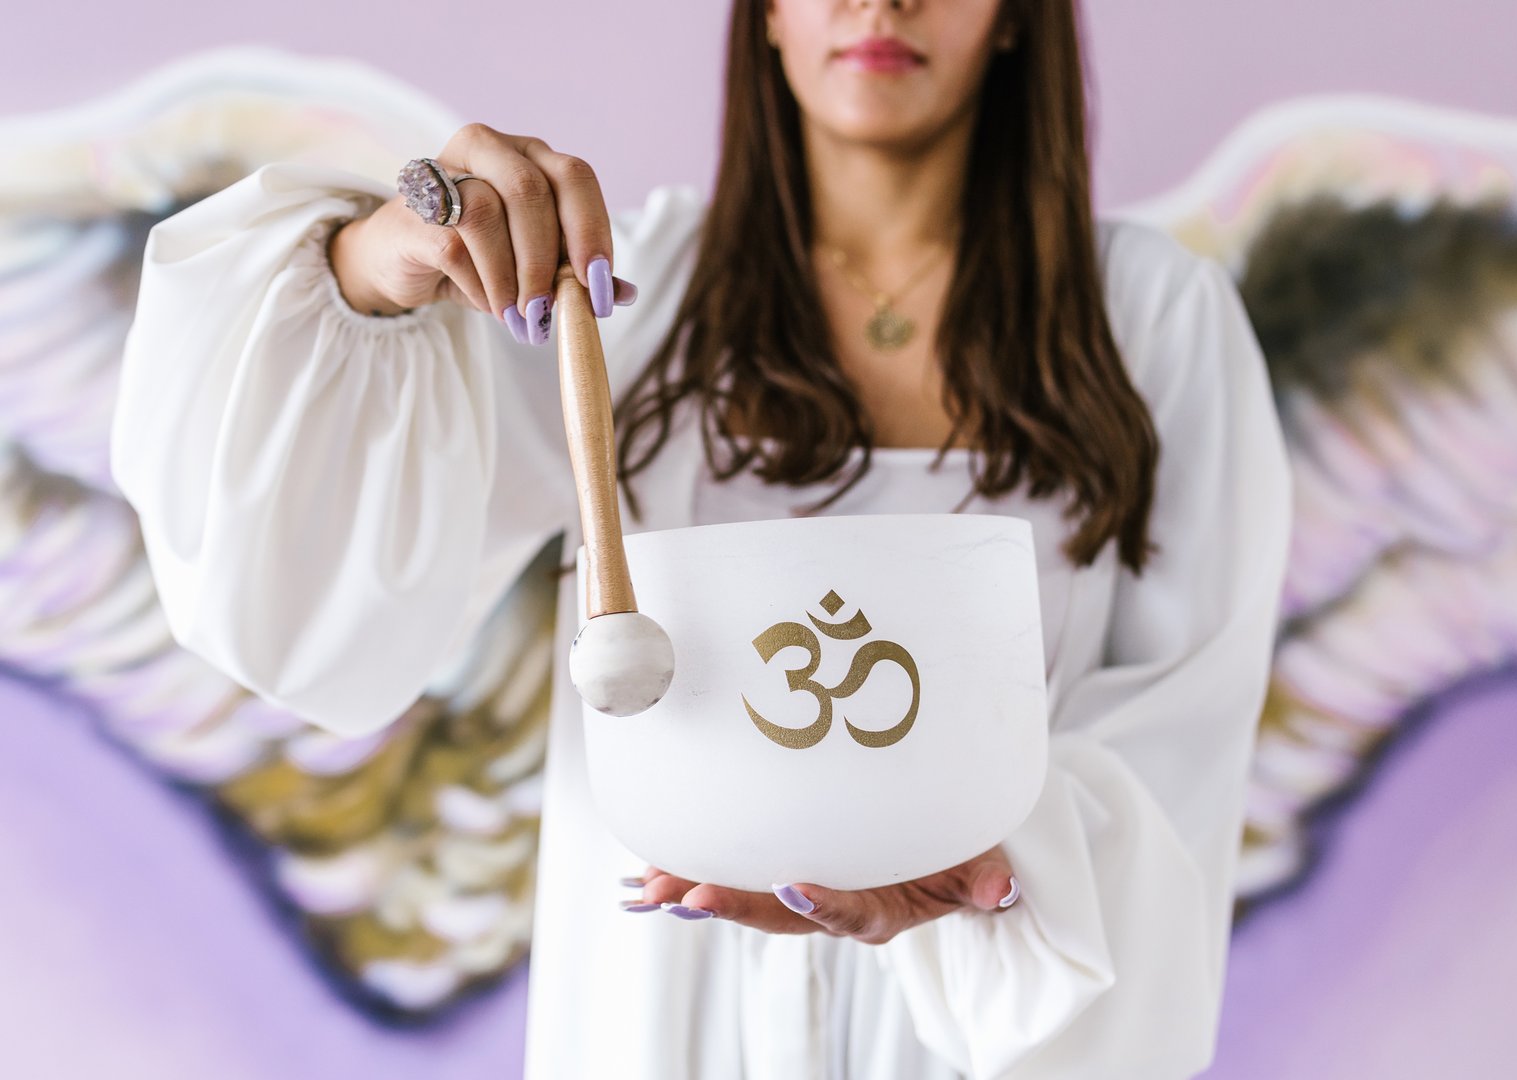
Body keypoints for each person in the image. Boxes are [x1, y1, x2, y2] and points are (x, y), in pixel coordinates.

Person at [109, 0, 1291, 1076]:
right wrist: (373, 268)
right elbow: (310, 584)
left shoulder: (1155, 322)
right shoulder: (626, 296)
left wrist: (982, 861)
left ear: (1021, 18)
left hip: (976, 1019)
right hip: (660, 1009)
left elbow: (1181, 734)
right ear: (764, 13)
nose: (880, 2)